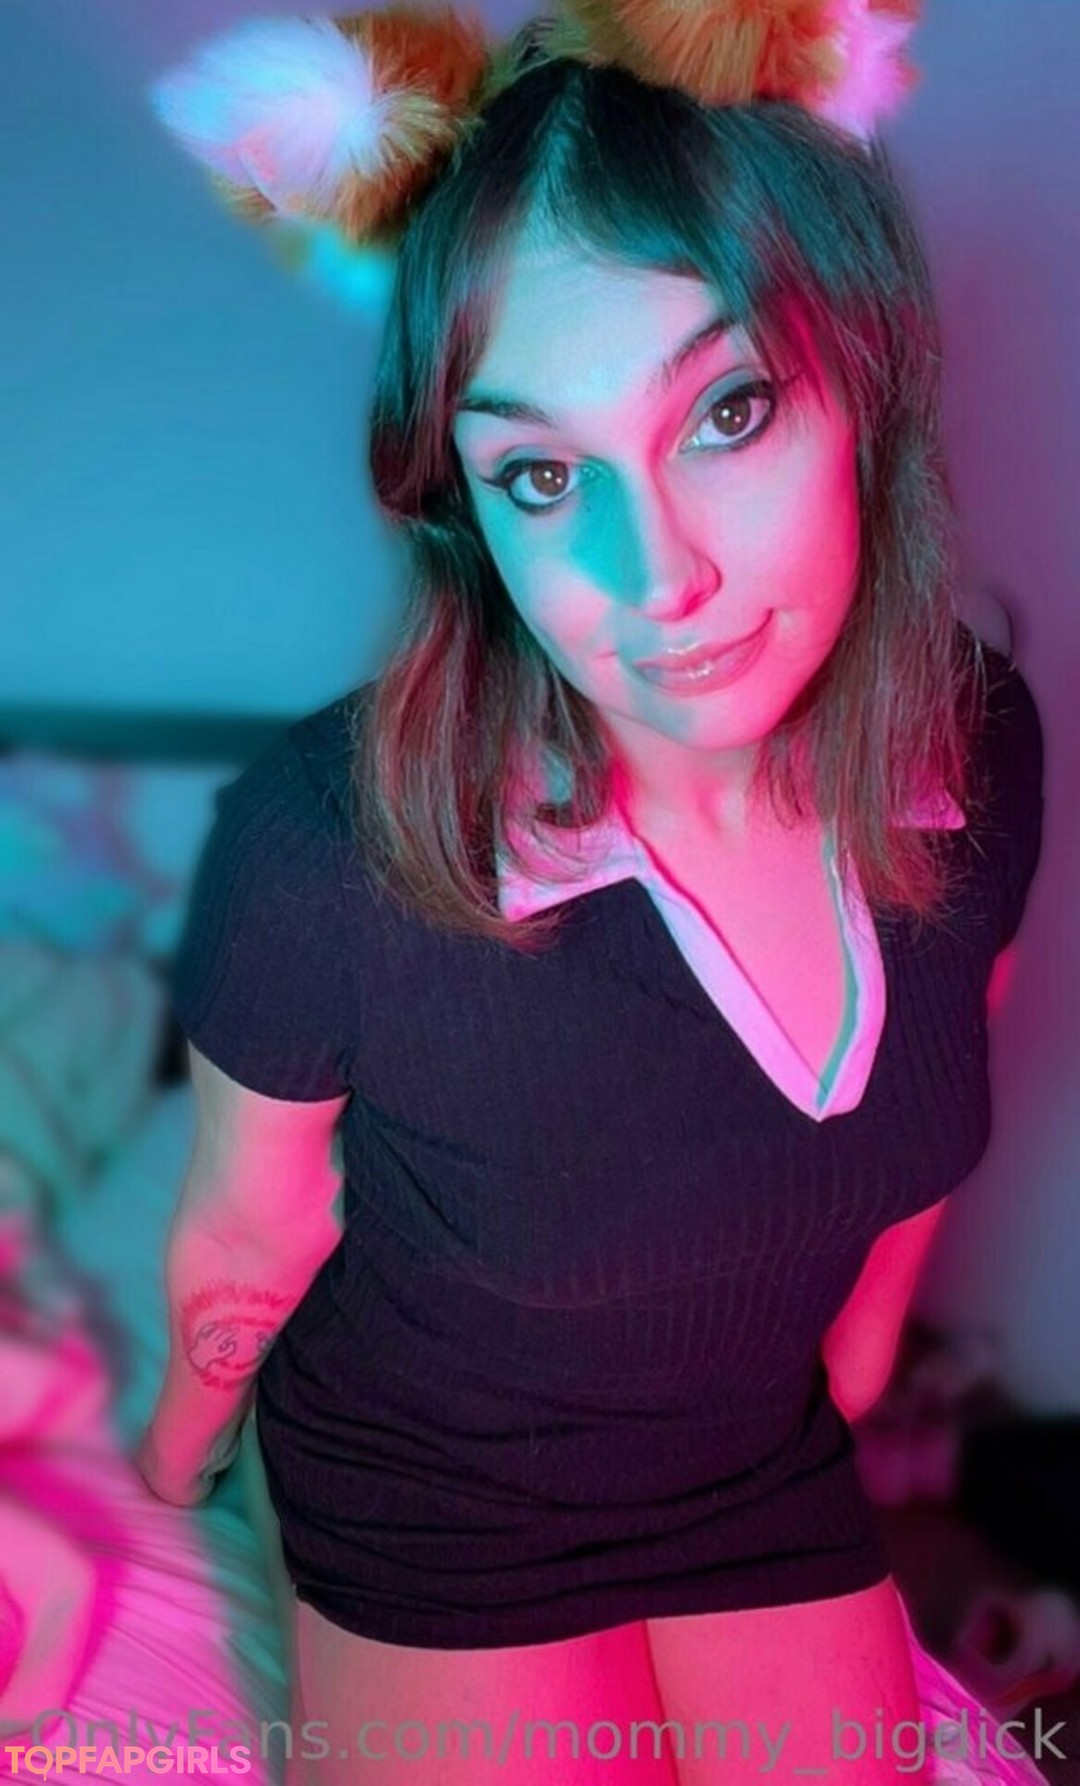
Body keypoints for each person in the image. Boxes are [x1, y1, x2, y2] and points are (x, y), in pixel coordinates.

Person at [138, 5, 1048, 1782]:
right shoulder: (328, 850)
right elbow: (245, 1238)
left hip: (753, 1459)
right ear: (467, 510)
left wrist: (861, 1363)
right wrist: (179, 1462)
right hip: (432, 1484)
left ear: (866, 379)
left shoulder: (981, 749)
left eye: (728, 411)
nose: (657, 579)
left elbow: (950, 1060)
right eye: (545, 476)